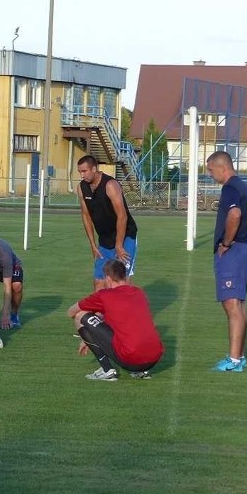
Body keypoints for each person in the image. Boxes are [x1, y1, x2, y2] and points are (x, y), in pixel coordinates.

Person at [206, 151, 247, 372]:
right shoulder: (243, 186)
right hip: (244, 249)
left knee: (231, 304)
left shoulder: (229, 188)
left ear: (222, 167)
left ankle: (235, 360)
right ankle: (239, 356)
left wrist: (227, 243)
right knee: (238, 303)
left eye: (210, 170)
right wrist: (246, 236)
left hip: (234, 251)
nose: (209, 174)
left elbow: (235, 214)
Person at [67, 259, 164, 381]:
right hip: (154, 359)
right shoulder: (139, 292)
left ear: (108, 278)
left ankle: (107, 370)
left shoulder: (105, 295)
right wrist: (90, 336)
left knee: (80, 315)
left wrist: (86, 335)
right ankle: (142, 372)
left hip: (131, 360)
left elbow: (71, 311)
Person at [77, 155, 138, 291]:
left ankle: (125, 312)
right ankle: (100, 313)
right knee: (99, 281)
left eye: (84, 171)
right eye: (80, 172)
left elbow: (122, 216)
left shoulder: (110, 185)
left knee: (122, 280)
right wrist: (93, 245)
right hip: (104, 240)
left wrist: (119, 245)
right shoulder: (81, 188)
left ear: (94, 169)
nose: (82, 175)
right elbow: (85, 215)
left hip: (125, 236)